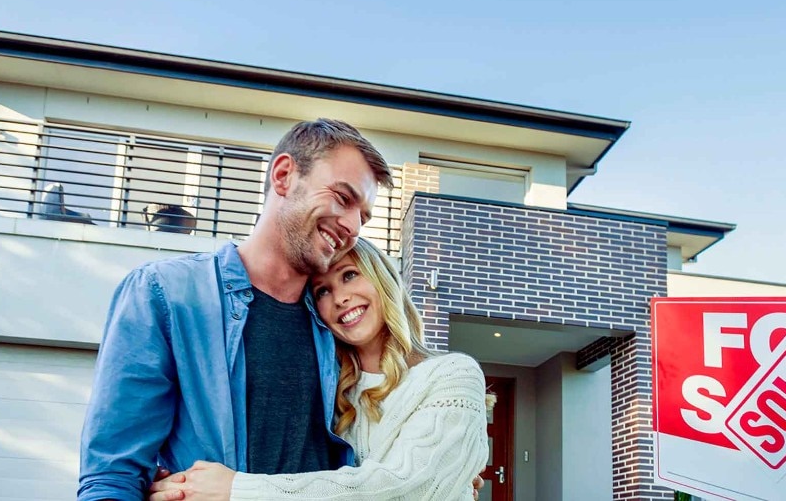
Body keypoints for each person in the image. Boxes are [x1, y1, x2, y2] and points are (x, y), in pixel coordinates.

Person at [77, 118, 392, 500]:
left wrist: (450, 468)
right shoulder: (166, 294)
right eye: (343, 198)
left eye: (364, 216)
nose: (352, 226)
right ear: (284, 175)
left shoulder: (340, 323)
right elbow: (113, 476)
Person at [147, 238, 489, 500]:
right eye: (323, 291)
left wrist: (237, 490)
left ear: (383, 280)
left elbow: (409, 488)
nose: (339, 298)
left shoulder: (451, 374)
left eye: (350, 275)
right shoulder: (331, 392)